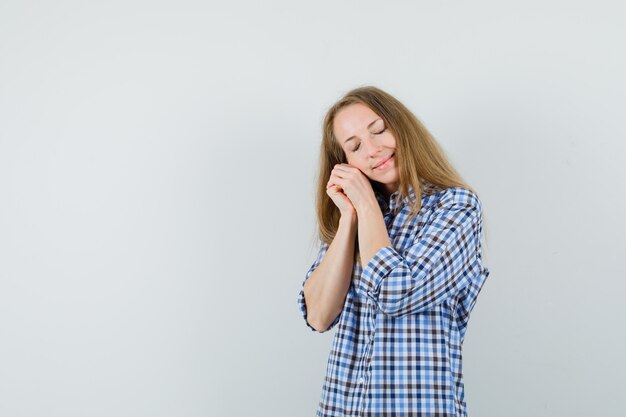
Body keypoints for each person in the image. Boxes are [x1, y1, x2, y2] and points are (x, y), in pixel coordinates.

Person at [296, 85, 491, 417]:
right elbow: (317, 316)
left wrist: (367, 205)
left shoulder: (456, 207)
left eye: (379, 130)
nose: (372, 150)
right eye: (355, 146)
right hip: (344, 408)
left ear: (401, 127)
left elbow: (396, 293)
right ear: (345, 162)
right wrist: (349, 217)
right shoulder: (357, 216)